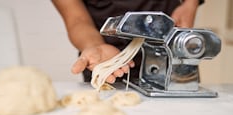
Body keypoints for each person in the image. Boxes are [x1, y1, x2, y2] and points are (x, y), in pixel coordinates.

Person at [51, 0, 204, 84]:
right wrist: (95, 46)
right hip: (108, 63)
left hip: (170, 53)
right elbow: (77, 20)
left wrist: (190, 5)